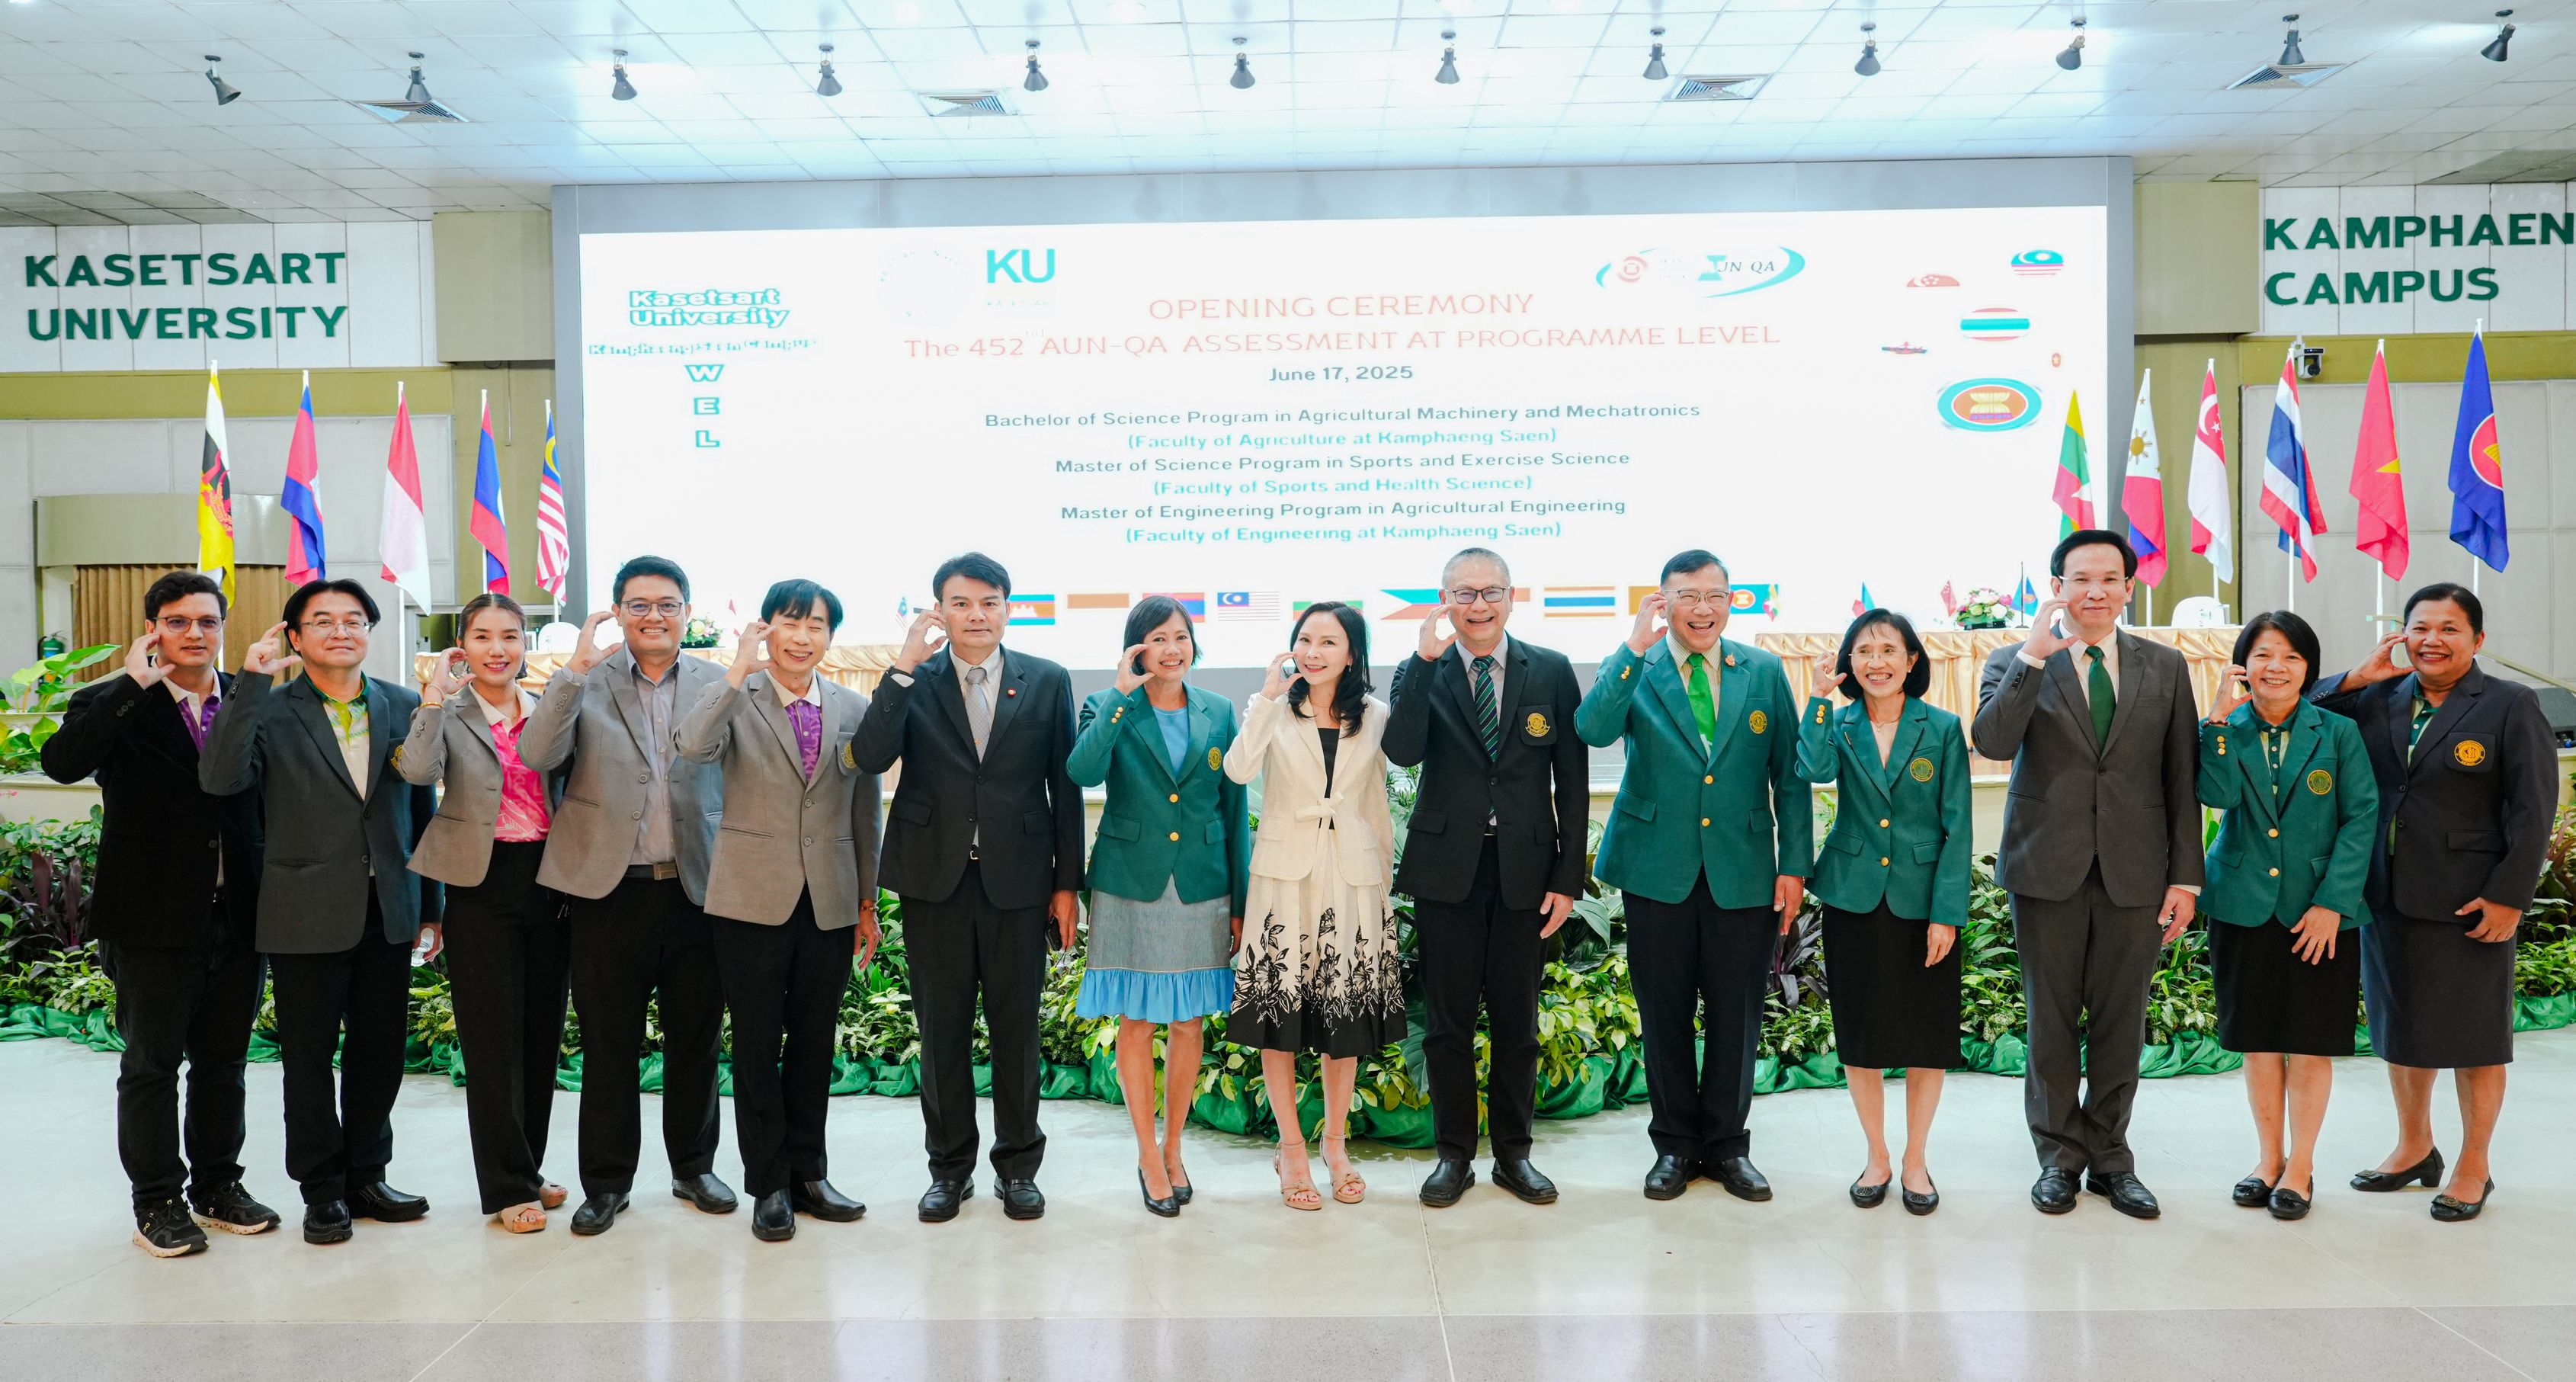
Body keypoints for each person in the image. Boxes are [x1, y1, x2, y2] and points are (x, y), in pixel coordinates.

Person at [200, 579, 441, 1246]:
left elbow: (421, 807)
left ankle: (367, 1174)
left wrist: (431, 903)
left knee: (379, 1052)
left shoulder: (401, 703)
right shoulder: (270, 708)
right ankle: (322, 1188)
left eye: (354, 619)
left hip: (388, 905)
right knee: (308, 1059)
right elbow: (221, 778)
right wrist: (249, 683)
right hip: (303, 908)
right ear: (296, 636)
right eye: (324, 620)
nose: (341, 631)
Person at [1971, 528, 2202, 1220]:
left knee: (2120, 1022)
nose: (2095, 591)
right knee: (2050, 1021)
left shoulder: (2165, 666)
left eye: (2109, 579)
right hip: (2047, 867)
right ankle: (2058, 1157)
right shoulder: (2014, 659)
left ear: (2129, 587)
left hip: (2136, 870)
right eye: (2080, 579)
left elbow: (2181, 776)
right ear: (2057, 588)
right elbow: (1992, 740)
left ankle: (2110, 1157)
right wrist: (2033, 659)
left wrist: (2185, 878)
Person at [41, 572, 273, 1257]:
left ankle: (217, 1185)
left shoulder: (248, 700)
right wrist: (132, 685)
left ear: (222, 627)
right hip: (151, 916)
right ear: (153, 630)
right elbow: (61, 763)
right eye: (177, 621)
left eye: (207, 620)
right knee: (152, 1065)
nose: (194, 633)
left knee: (224, 1063)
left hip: (239, 912)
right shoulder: (114, 700)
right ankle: (157, 1200)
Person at [2313, 582, 2558, 1222]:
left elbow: (2533, 808)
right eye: (2420, 627)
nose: (2432, 640)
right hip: (2386, 893)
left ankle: (2474, 1164)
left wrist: (2509, 895)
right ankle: (2415, 1146)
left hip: (2470, 899)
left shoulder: (2510, 704)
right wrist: (2355, 676)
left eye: (2449, 628)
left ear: (2478, 639)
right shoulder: (2378, 697)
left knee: (2476, 1038)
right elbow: (2297, 712)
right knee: (2401, 1028)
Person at [853, 553, 1081, 1224]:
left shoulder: (1047, 679)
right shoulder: (915, 679)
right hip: (934, 882)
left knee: (1017, 1033)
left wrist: (1066, 885)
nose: (976, 614)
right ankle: (949, 1170)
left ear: (1008, 607)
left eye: (988, 602)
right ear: (939, 610)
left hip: (1020, 882)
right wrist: (902, 666)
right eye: (961, 603)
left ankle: (1019, 1168)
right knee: (942, 1032)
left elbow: (1065, 788)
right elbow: (870, 756)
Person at [1576, 550, 1810, 1203]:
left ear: (1731, 601)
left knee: (1737, 1014)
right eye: (1688, 596)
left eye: (1715, 595)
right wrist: (1632, 647)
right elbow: (1592, 728)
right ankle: (1675, 1145)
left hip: (1743, 867)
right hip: (1656, 867)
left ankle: (1729, 1146)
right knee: (1665, 1011)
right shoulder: (1639, 664)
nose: (1702, 609)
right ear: (1663, 601)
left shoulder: (1762, 670)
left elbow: (1791, 776)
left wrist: (1794, 864)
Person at [516, 555, 735, 1236]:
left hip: (697, 888)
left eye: (667, 604)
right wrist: (572, 672)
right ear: (617, 612)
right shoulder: (585, 680)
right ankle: (607, 1182)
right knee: (609, 1043)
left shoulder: (721, 681)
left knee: (695, 1039)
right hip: (609, 892)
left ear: (687, 613)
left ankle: (693, 1167)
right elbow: (537, 755)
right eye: (638, 604)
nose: (653, 616)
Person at [675, 579, 883, 1243]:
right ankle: (768, 1183)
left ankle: (809, 1175)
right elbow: (692, 746)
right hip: (749, 897)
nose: (802, 636)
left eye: (816, 625)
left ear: (830, 636)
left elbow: (865, 809)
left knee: (814, 1043)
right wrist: (738, 668)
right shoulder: (738, 696)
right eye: (790, 623)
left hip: (829, 898)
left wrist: (867, 899)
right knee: (758, 1043)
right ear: (767, 628)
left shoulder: (853, 707)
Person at [1382, 549, 1588, 1209]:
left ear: (1511, 597)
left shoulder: (1550, 669)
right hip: (1448, 870)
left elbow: (1572, 778)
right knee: (1447, 1023)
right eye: (1464, 593)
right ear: (1444, 599)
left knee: (1517, 1021)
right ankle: (1454, 1156)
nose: (1478, 604)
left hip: (1526, 869)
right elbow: (1402, 750)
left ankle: (1514, 1154)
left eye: (1491, 591)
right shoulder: (1422, 669)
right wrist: (1423, 662)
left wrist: (1568, 876)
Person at [1064, 595, 1249, 1217]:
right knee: (1138, 1022)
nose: (1172, 649)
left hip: (1203, 881)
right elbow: (1082, 770)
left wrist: (1241, 899)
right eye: (1158, 638)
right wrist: (1121, 695)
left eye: (1181, 637)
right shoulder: (1106, 703)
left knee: (1190, 1022)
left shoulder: (1219, 710)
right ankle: (1147, 1154)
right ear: (1136, 647)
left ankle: (1174, 1147)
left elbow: (1233, 810)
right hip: (1130, 882)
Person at [393, 593, 570, 1233]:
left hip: (550, 880)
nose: (498, 649)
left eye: (511, 636)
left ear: (526, 643)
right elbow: (418, 771)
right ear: (462, 645)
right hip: (480, 881)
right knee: (492, 1041)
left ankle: (527, 1165)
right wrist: (433, 698)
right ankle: (505, 1186)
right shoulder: (448, 709)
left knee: (540, 1038)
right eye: (483, 636)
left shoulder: (550, 707)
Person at [2196, 610, 2377, 1221]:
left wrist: (2333, 903)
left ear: (2308, 669)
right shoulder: (2224, 728)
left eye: (2291, 657)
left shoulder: (2337, 732)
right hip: (2241, 905)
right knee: (2258, 1044)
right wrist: (2217, 720)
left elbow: (2361, 818)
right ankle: (2267, 1158)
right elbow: (2216, 795)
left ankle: (2300, 1166)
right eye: (2264, 655)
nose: (2276, 667)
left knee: (2310, 1043)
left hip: (2318, 912)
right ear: (2243, 664)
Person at [1224, 601, 1400, 1211]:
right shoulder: (1272, 707)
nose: (1314, 651)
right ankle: (1292, 1148)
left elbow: (1376, 802)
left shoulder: (1375, 715)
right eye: (1305, 639)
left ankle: (1336, 1145)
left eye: (1329, 641)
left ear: (1352, 654)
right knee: (1278, 1019)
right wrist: (1267, 699)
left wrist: (1382, 881)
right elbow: (1237, 769)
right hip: (1283, 879)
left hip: (1353, 878)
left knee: (1342, 1025)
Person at [1796, 609, 1969, 1217]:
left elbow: (1957, 825)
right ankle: (1877, 1155)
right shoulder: (1838, 724)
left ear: (1911, 660)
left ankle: (1916, 1158)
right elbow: (1812, 769)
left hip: (1923, 902)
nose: (1877, 662)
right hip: (1853, 896)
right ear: (1850, 662)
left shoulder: (1942, 727)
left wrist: (1947, 912)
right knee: (1862, 1034)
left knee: (1926, 1036)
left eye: (1889, 650)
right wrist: (1818, 699)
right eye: (1864, 651)